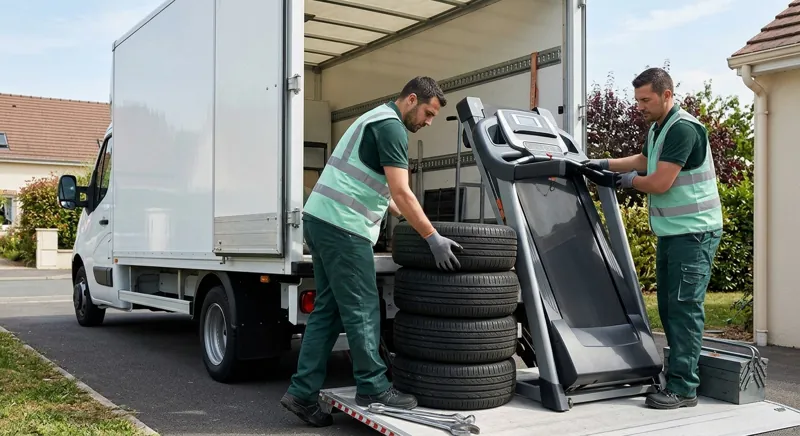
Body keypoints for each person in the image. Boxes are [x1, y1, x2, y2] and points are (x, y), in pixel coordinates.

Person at [280, 76, 463, 427]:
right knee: (363, 307)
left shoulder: (374, 118)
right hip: (343, 228)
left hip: (321, 221)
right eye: (427, 113)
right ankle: (374, 387)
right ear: (412, 100)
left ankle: (302, 394)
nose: (427, 122)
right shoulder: (392, 128)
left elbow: (379, 192)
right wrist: (432, 236)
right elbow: (402, 191)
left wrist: (404, 218)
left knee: (329, 310)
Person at [585, 67, 723, 410]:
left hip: (695, 233)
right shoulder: (659, 128)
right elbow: (644, 161)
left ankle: (683, 388)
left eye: (646, 100)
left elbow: (659, 181)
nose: (640, 106)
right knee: (668, 307)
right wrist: (598, 163)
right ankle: (677, 376)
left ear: (666, 95)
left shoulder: (684, 129)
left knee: (684, 310)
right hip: (674, 233)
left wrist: (627, 181)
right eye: (637, 100)